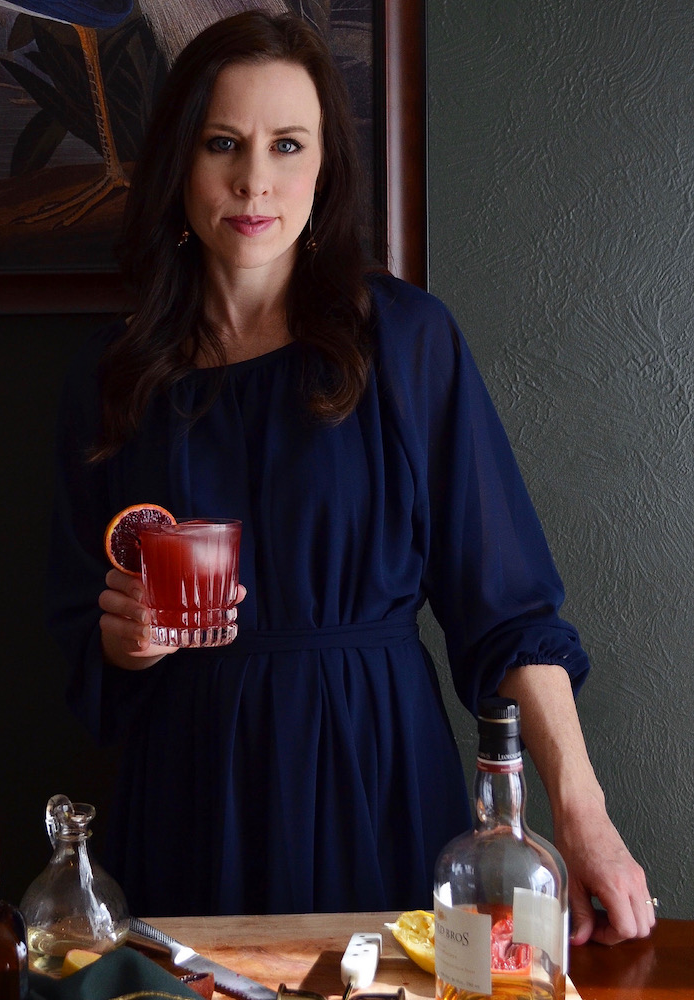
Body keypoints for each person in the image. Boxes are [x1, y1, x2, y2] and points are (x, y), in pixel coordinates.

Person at [47, 11, 653, 944]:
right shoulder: (112, 378)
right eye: (223, 144)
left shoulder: (406, 342)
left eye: (287, 145)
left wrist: (585, 819)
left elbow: (508, 610)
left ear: (325, 166)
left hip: (377, 773)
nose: (255, 180)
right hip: (191, 794)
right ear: (180, 163)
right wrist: (124, 644)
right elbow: (77, 638)